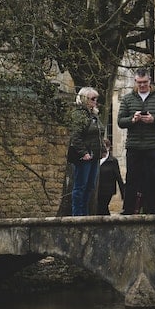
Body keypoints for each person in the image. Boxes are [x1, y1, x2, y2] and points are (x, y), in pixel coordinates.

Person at [117, 69, 155, 215]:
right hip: (134, 145)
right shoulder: (128, 99)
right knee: (132, 179)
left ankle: (153, 211)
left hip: (154, 145)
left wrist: (154, 119)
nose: (142, 85)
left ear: (149, 81)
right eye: (139, 82)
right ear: (135, 82)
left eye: (144, 82)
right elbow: (120, 121)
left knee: (154, 178)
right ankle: (128, 210)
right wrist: (132, 120)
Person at [66, 86, 103, 216]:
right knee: (80, 186)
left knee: (90, 186)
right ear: (85, 99)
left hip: (95, 155)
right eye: (93, 99)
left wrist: (102, 149)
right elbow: (75, 137)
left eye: (96, 99)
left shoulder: (94, 114)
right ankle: (77, 215)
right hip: (84, 157)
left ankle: (85, 213)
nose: (95, 101)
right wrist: (84, 153)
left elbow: (98, 134)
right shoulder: (79, 114)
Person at [94, 139, 125, 215]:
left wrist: (123, 193)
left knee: (102, 206)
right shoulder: (95, 159)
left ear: (108, 147)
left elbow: (118, 176)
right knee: (100, 209)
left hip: (107, 190)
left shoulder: (113, 161)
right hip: (96, 189)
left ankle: (106, 224)